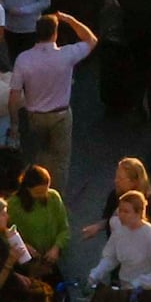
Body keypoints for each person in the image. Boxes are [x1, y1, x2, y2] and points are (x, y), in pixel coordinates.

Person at [10, 10, 95, 186]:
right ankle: (57, 197)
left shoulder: (23, 59)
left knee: (36, 159)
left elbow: (14, 96)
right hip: (61, 115)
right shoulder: (67, 54)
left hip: (34, 116)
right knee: (60, 163)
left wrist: (15, 123)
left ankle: (35, 194)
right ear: (55, 33)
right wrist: (69, 19)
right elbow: (91, 39)